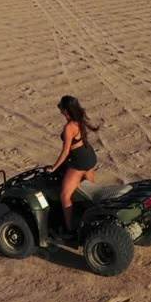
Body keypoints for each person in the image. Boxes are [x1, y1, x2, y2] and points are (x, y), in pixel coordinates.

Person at [48, 95, 100, 235]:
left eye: (61, 106)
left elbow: (65, 151)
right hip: (89, 156)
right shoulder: (79, 120)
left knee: (65, 195)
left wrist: (54, 167)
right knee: (90, 193)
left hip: (79, 162)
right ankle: (95, 220)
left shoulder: (69, 127)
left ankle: (69, 228)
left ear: (65, 110)